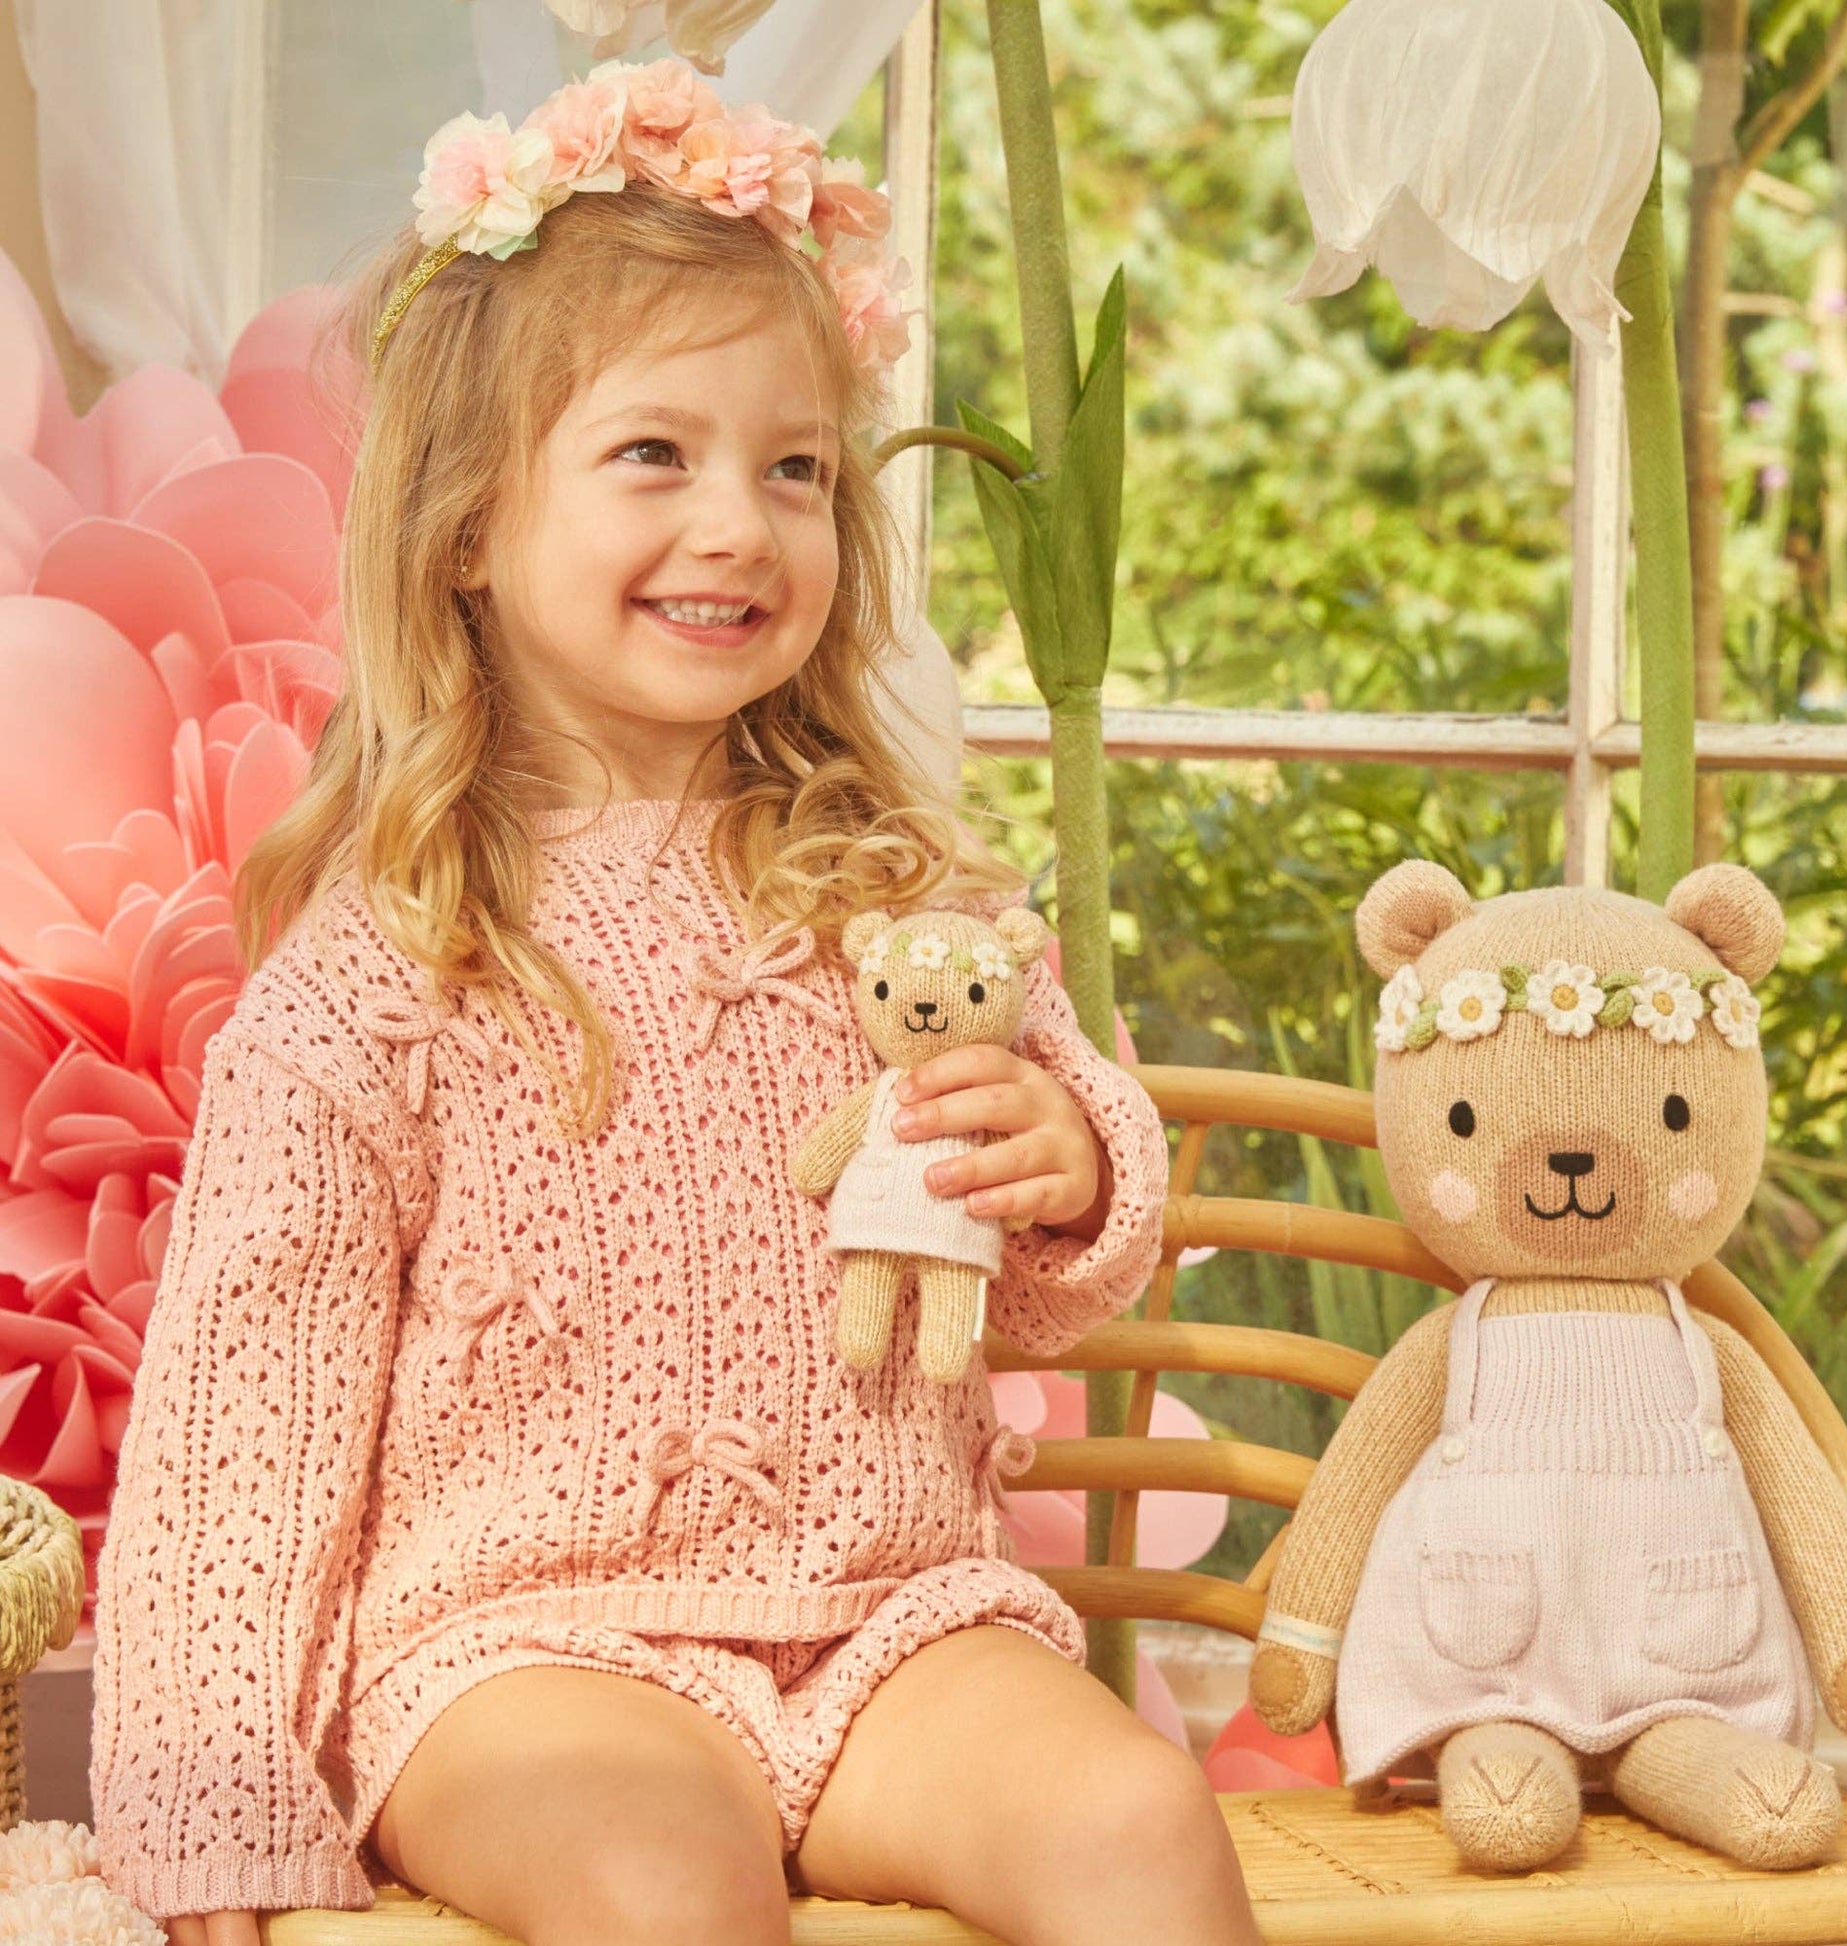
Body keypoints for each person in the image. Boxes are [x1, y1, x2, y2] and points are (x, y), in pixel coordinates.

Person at [87, 57, 1263, 1946]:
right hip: (524, 1644)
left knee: (1133, 1813)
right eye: (657, 454)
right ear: (469, 521)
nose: (740, 523)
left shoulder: (894, 886)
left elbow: (1038, 1271)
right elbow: (245, 1423)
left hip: (897, 1619)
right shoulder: (389, 961)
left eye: (793, 468)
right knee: (662, 1886)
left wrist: (1068, 1159)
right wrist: (208, 1793)